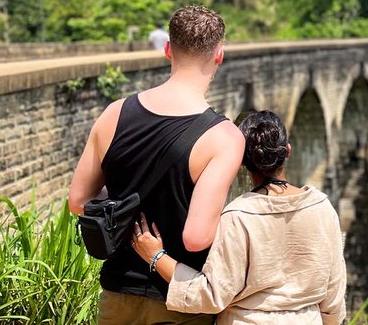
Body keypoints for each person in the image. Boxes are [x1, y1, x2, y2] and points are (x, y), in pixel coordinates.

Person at [68, 6, 245, 324]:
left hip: (117, 295)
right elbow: (196, 237)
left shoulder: (115, 113)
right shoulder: (223, 137)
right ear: (218, 54)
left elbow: (78, 202)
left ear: (167, 49)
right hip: (179, 302)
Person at [131, 110, 347, 325]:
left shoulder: (238, 215)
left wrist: (156, 256)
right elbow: (334, 293)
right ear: (287, 151)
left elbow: (212, 295)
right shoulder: (322, 207)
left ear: (243, 162)